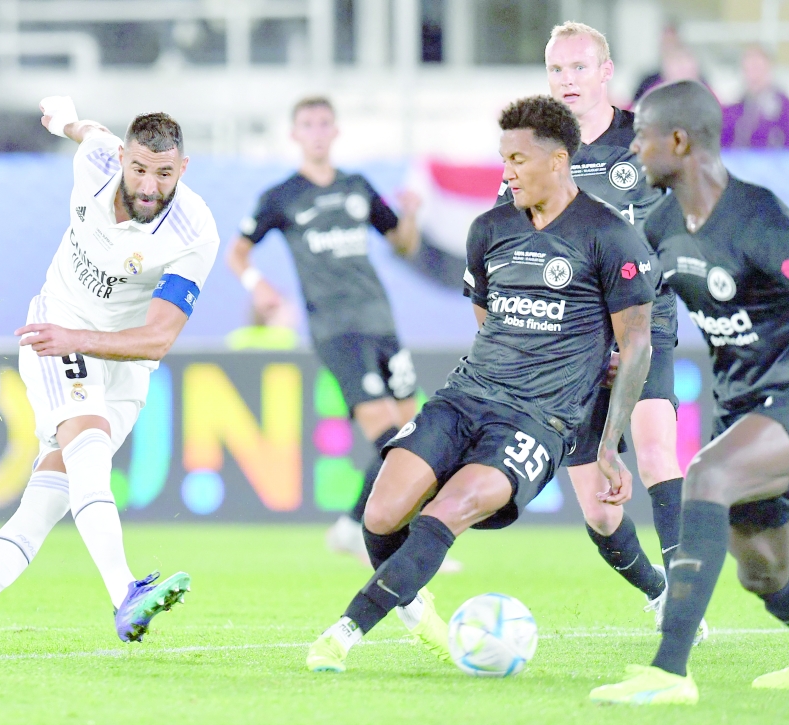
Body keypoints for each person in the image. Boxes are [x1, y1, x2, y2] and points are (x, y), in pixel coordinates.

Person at [306, 95, 657, 673]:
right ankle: (417, 613)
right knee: (380, 513)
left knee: (450, 508)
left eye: (518, 159)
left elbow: (636, 343)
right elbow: (486, 312)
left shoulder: (608, 235)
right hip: (466, 396)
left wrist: (607, 442)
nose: (508, 171)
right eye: (504, 158)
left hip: (538, 421)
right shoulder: (490, 228)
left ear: (558, 160)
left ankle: (345, 632)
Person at [0, 98, 220, 657]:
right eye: (140, 169)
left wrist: (84, 343)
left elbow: (157, 338)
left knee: (43, 506)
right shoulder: (99, 158)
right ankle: (124, 592)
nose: (150, 186)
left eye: (165, 174)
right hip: (56, 329)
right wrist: (61, 119)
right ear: (123, 158)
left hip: (125, 360)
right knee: (90, 454)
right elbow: (89, 131)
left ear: (184, 169)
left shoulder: (195, 232)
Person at [591, 80, 789, 705]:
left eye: (643, 137)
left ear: (679, 140)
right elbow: (638, 337)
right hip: (745, 404)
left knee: (705, 475)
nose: (635, 150)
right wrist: (611, 438)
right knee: (763, 568)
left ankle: (669, 670)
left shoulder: (758, 216)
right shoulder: (663, 225)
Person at [499, 21, 704, 640]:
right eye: (557, 70)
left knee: (654, 450)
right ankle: (657, 588)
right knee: (598, 510)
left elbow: (693, 211)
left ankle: (684, 606)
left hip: (644, 321)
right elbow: (509, 242)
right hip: (572, 341)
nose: (567, 80)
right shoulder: (535, 153)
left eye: (579, 68)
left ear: (606, 72)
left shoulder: (642, 140)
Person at [226, 97, 460, 572]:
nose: (316, 132)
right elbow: (238, 253)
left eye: (323, 124)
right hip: (337, 330)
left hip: (382, 324)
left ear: (335, 132)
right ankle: (389, 541)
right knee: (393, 438)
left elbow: (402, 243)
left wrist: (410, 212)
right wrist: (260, 287)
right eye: (307, 125)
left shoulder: (357, 188)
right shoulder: (282, 196)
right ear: (295, 135)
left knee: (413, 438)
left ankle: (352, 526)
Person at [721, 45, 789, 149]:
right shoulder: (735, 106)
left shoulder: (783, 105)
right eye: (749, 68)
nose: (753, 74)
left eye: (757, 68)